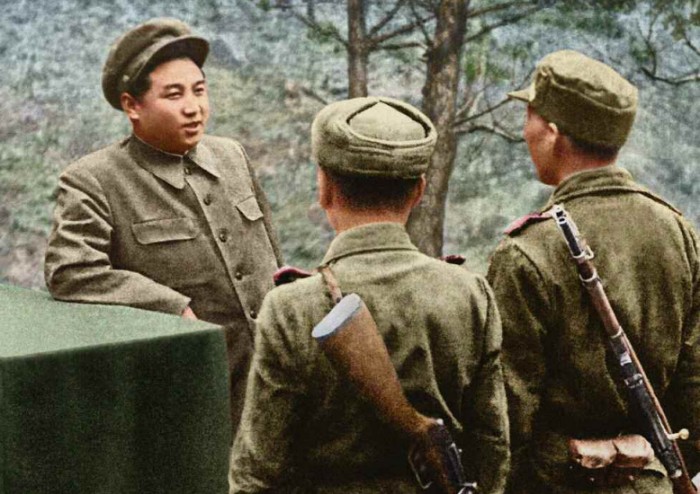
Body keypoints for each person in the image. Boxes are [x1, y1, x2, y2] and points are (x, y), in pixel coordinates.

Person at [229, 96, 510, 493]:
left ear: (324, 188)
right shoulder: (469, 294)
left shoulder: (292, 308)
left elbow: (258, 472)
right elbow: (492, 448)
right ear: (419, 191)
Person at [44, 18, 282, 431]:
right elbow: (71, 271)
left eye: (199, 90)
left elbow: (272, 255)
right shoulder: (94, 180)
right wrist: (171, 306)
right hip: (184, 393)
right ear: (132, 106)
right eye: (174, 94)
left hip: (274, 380)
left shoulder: (232, 156)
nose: (193, 107)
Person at [487, 49, 700, 493]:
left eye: (529, 117)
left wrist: (567, 460)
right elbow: (695, 394)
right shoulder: (679, 234)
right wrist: (646, 462)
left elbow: (505, 424)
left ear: (552, 133)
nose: (524, 132)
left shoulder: (527, 251)